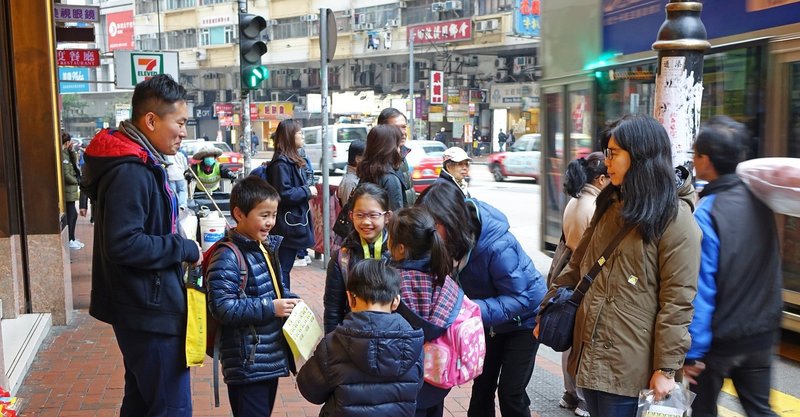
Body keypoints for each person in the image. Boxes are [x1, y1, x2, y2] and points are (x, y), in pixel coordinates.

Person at [537, 114, 701, 417]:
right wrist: (548, 305)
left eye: (614, 154)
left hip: (632, 368)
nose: (606, 162)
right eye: (607, 152)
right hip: (592, 354)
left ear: (640, 156)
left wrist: (665, 368)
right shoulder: (610, 203)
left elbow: (677, 303)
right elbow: (578, 264)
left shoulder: (676, 221)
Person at [81, 74, 202, 417]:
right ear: (150, 120)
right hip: (148, 311)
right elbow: (123, 244)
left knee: (141, 402)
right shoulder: (131, 171)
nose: (184, 132)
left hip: (141, 306)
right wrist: (183, 248)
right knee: (170, 407)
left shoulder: (138, 160)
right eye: (179, 122)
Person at [416, 181, 546, 417]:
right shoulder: (445, 242)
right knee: (482, 387)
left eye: (433, 225)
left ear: (451, 219)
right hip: (489, 321)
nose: (427, 233)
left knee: (510, 392)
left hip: (524, 321)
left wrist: (468, 309)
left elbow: (520, 297)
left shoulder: (496, 245)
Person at [683, 116, 782, 417]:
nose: (693, 160)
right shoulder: (761, 199)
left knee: (702, 411)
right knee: (760, 410)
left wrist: (694, 352)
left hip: (719, 343)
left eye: (695, 154)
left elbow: (702, 287)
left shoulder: (707, 213)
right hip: (761, 334)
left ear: (707, 160)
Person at [206, 176, 302, 417]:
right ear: (239, 214)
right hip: (247, 362)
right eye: (264, 215)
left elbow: (268, 289)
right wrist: (272, 307)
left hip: (266, 358)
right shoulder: (227, 256)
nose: (271, 222)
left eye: (274, 214)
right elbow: (222, 307)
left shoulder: (263, 246)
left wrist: (290, 300)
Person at [297, 259, 425, 417]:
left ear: (350, 298)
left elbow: (311, 391)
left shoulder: (333, 345)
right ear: (396, 301)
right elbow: (416, 386)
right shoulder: (414, 343)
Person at [389, 206, 461, 417]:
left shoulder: (392, 280)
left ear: (400, 248)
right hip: (438, 376)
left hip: (402, 380)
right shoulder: (444, 279)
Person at [553, 151, 609, 417]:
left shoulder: (575, 202)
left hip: (570, 277)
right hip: (584, 281)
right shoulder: (594, 207)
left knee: (572, 342)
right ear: (600, 179)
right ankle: (582, 398)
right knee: (583, 343)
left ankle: (570, 394)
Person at [323, 183, 392, 334]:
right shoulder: (341, 258)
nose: (366, 222)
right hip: (353, 338)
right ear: (351, 215)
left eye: (373, 215)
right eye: (359, 215)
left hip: (391, 338)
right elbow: (333, 310)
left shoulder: (397, 254)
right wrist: (331, 346)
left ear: (387, 217)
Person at [266, 119, 317, 290]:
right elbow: (284, 194)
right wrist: (307, 191)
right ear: (289, 136)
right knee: (283, 269)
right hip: (286, 225)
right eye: (299, 133)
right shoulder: (281, 163)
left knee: (284, 268)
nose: (302, 136)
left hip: (292, 222)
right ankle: (283, 303)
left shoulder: (291, 160)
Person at [358, 124, 409, 211]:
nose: (400, 149)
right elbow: (395, 216)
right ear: (390, 148)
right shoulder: (390, 179)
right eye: (398, 145)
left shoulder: (368, 173)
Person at [377, 108, 416, 206]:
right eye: (396, 128)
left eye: (404, 127)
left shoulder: (401, 154)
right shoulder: (379, 164)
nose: (403, 132)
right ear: (382, 130)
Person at [61, 132, 84, 250]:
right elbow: (66, 174)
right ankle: (70, 239)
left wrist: (72, 151)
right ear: (67, 142)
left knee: (72, 215)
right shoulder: (62, 155)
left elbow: (75, 164)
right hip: (67, 190)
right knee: (72, 215)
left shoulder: (67, 153)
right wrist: (76, 181)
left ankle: (72, 238)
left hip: (70, 190)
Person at [337, 138, 366, 207]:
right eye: (367, 156)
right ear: (358, 159)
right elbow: (349, 211)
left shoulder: (358, 177)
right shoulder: (350, 182)